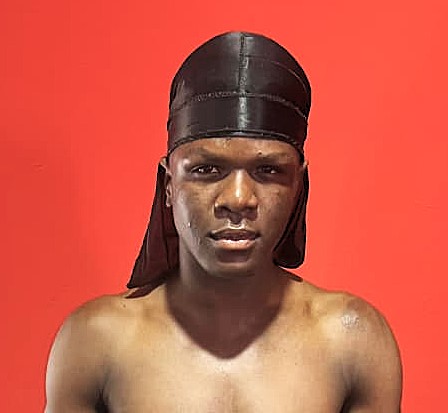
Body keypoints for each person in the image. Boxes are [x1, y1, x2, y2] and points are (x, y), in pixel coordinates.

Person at [45, 32, 402, 412]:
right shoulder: (97, 342)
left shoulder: (352, 340)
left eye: (268, 170)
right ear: (169, 184)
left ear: (299, 184)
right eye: (206, 169)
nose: (238, 199)